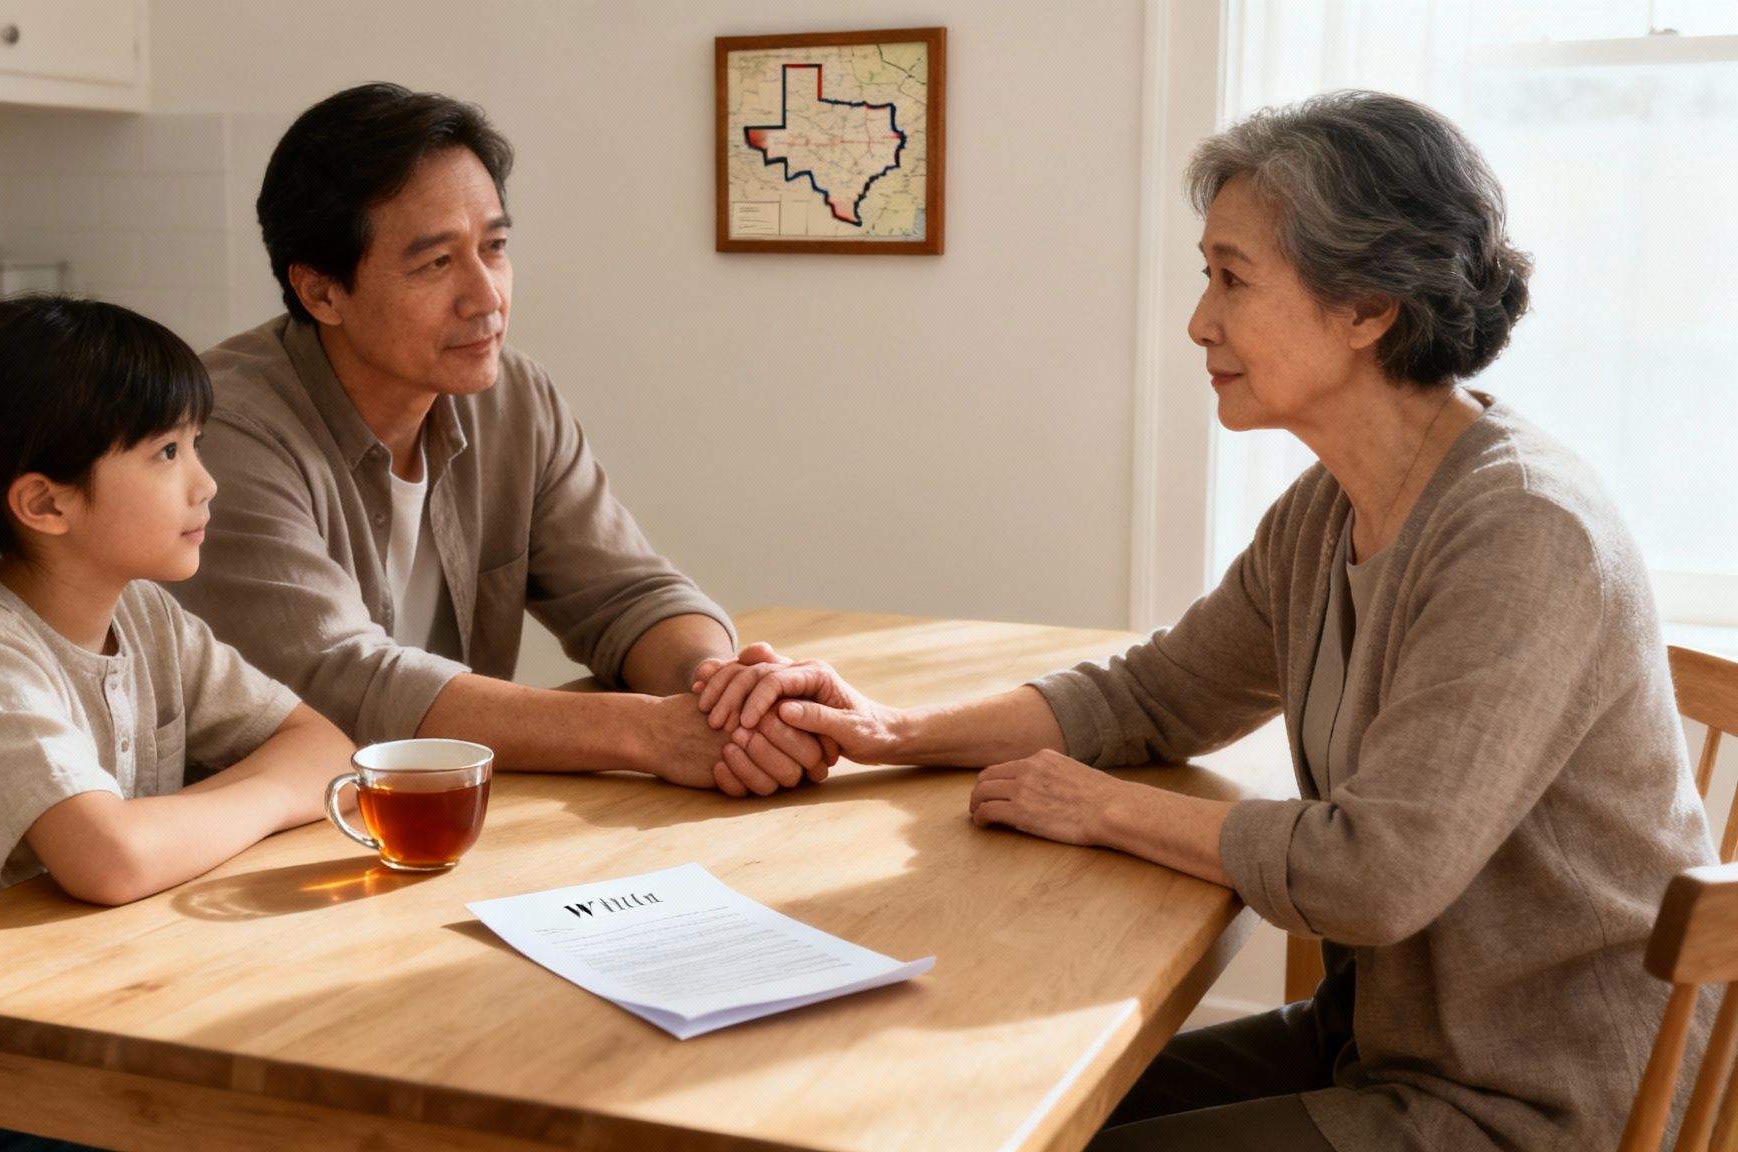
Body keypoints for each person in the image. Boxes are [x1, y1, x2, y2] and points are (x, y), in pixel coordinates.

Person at [697, 91, 1715, 1150]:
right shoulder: (1329, 508)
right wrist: (887, 732)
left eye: (1230, 279)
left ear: (1366, 306)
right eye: (1205, 275)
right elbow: (1152, 696)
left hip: (1545, 1104)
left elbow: (1371, 877)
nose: (1198, 321)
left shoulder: (1522, 532)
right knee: (988, 1112)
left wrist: (1098, 808)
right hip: (1382, 1043)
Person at [168, 83, 832, 799]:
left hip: (448, 819)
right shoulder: (222, 429)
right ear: (322, 292)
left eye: (494, 247)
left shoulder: (512, 397)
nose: (487, 297)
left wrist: (721, 691)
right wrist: (648, 732)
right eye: (435, 263)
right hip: (261, 851)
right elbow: (343, 682)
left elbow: (627, 594)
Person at [0, 296, 356, 1152]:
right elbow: (111, 859)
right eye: (167, 452)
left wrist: (255, 787)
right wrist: (268, 791)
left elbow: (325, 747)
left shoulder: (146, 617)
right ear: (45, 504)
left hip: (72, 1016)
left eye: (195, 445)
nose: (204, 482)